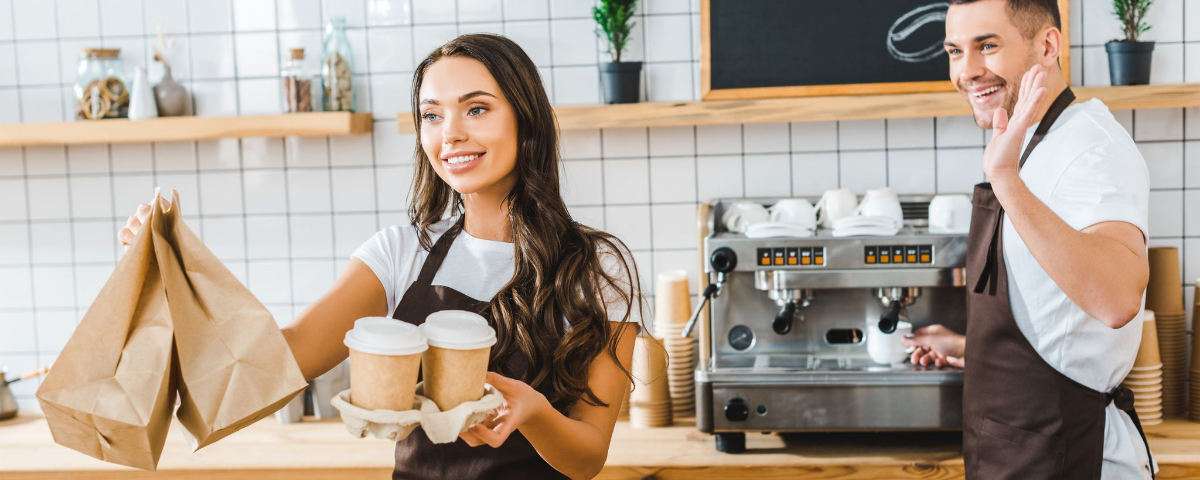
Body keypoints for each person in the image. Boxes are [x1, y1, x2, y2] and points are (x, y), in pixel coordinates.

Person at [118, 34, 645, 480]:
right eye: (432, 116)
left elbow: (587, 457)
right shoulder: (401, 252)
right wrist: (180, 271)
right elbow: (286, 359)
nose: (451, 133)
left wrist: (533, 414)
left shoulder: (597, 268)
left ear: (526, 120)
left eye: (476, 108)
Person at [902, 0, 1157, 478]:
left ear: (1047, 46)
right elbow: (1055, 312)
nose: (968, 71)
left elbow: (1118, 296)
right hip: (1021, 449)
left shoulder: (1092, 148)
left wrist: (1007, 182)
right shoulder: (1036, 139)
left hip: (1071, 457)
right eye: (955, 51)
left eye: (988, 46)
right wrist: (972, 348)